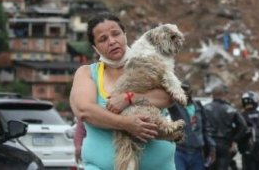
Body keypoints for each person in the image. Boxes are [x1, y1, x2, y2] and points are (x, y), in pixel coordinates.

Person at [69, 12, 176, 170]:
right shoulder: (87, 73)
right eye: (103, 39)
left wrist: (130, 97)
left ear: (125, 34)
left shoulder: (150, 65)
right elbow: (84, 110)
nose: (112, 42)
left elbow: (169, 96)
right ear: (95, 47)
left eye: (116, 34)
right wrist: (126, 124)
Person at [168, 81, 217, 170]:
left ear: (191, 91)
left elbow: (206, 129)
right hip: (180, 151)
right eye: (182, 89)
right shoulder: (174, 106)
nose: (184, 92)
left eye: (186, 89)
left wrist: (212, 147)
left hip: (197, 153)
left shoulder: (198, 106)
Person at [204, 84, 248, 170]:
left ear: (212, 95)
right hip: (225, 144)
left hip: (209, 145)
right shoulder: (230, 109)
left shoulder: (205, 108)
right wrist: (234, 140)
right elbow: (243, 126)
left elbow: (199, 125)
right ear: (223, 95)